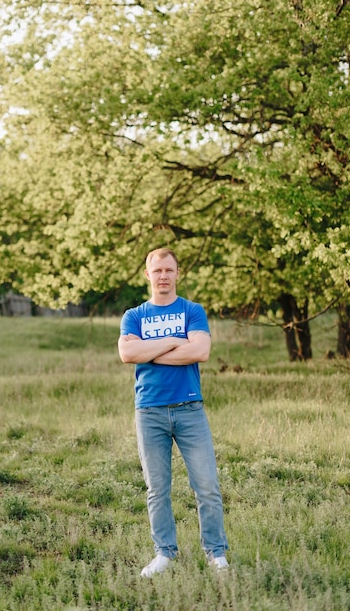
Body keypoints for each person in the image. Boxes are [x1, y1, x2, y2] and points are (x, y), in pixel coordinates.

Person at [118, 247, 229, 577]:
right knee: (157, 489)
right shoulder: (134, 316)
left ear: (177, 274)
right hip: (149, 410)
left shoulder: (192, 310)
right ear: (147, 275)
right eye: (157, 270)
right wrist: (174, 341)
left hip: (189, 409)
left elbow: (202, 350)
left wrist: (148, 352)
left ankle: (216, 554)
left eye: (169, 270)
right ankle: (165, 554)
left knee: (207, 485)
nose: (163, 276)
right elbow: (127, 353)